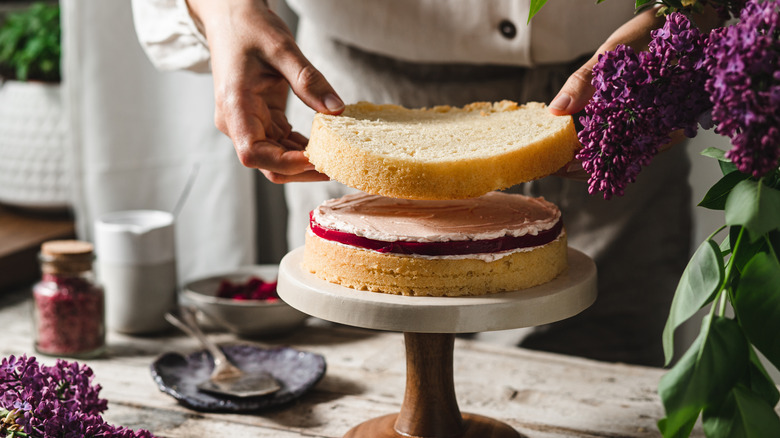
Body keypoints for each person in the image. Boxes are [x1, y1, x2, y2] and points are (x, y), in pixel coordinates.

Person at [131, 0, 718, 366]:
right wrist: (224, 8)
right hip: (352, 109)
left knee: (606, 384)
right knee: (364, 371)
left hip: (613, 109)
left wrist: (705, 14)